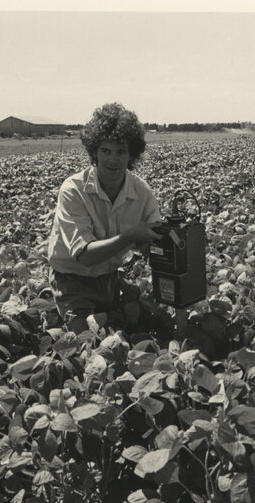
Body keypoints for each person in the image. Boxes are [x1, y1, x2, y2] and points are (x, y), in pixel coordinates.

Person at [46, 102, 168, 333]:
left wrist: (157, 248)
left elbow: (155, 242)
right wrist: (130, 236)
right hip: (71, 278)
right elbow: (84, 255)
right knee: (84, 334)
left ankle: (113, 313)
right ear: (94, 152)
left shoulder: (141, 192)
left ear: (131, 154)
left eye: (121, 151)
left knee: (147, 320)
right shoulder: (74, 189)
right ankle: (73, 317)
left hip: (109, 277)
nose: (113, 160)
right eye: (106, 151)